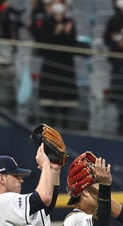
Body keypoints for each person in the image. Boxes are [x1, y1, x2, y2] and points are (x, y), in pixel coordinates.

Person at [30, 0, 79, 129]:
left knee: (65, 106)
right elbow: (42, 42)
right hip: (51, 65)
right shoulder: (47, 22)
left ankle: (64, 128)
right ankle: (50, 130)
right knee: (50, 104)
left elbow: (73, 44)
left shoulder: (70, 22)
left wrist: (67, 33)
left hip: (66, 66)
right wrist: (56, 32)